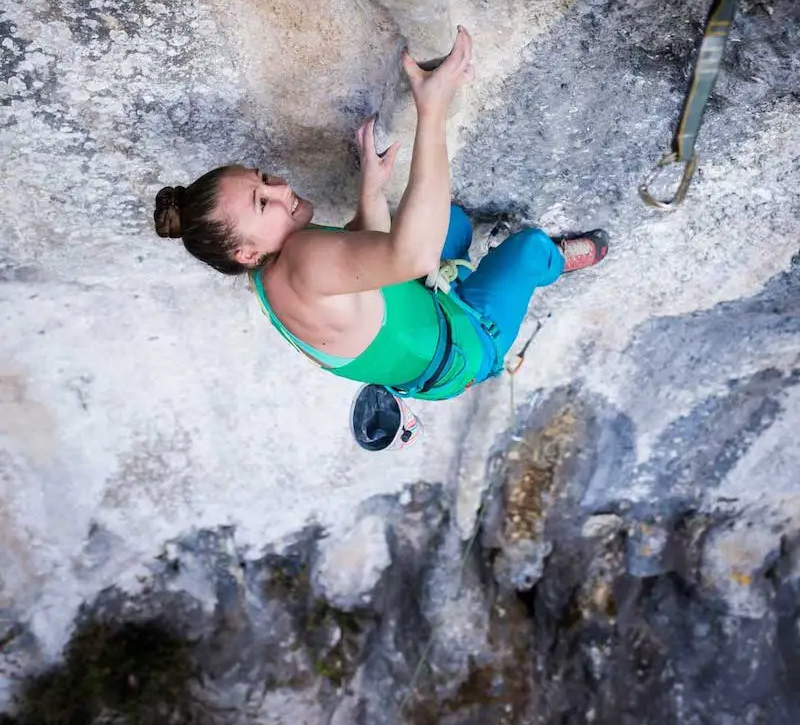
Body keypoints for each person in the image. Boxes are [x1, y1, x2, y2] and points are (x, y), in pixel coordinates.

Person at [154, 28, 608, 442]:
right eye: (262, 203)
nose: (281, 189)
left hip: (426, 313)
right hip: (471, 346)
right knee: (526, 250)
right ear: (246, 251)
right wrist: (434, 109)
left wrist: (370, 190)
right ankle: (555, 262)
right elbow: (413, 255)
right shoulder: (301, 259)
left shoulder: (266, 270)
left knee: (452, 222)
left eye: (264, 178)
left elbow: (358, 269)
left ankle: (471, 265)